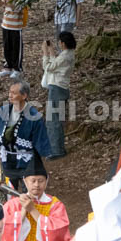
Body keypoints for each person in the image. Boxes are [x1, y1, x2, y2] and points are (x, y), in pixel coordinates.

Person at [2, 153, 71, 241]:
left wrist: (33, 210)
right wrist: (22, 212)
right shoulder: (13, 204)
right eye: (33, 181)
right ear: (25, 181)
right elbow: (2, 227)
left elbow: (59, 232)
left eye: (40, 181)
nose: (36, 185)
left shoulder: (55, 205)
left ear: (46, 181)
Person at [0, 79, 51, 187]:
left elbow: (40, 141)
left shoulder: (35, 117)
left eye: (14, 93)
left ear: (24, 96)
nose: (10, 95)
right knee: (7, 194)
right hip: (6, 162)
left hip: (27, 164)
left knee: (28, 196)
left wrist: (37, 163)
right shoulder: (3, 111)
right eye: (9, 92)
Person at [40, 31, 75, 159]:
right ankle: (58, 148)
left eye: (60, 42)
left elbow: (48, 67)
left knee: (53, 120)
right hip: (62, 88)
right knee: (57, 119)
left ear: (63, 43)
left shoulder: (65, 56)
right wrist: (51, 51)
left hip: (57, 89)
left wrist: (45, 52)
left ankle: (56, 151)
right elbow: (56, 64)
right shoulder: (69, 54)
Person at [0, 0, 28, 78]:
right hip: (6, 24)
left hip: (16, 26)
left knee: (16, 47)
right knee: (7, 47)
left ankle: (17, 68)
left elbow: (15, 7)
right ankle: (8, 67)